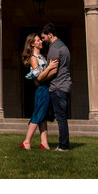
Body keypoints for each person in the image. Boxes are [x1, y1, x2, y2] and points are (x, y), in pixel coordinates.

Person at [19, 33, 58, 151]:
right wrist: (50, 67)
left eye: (40, 40)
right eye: (38, 40)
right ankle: (26, 141)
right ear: (32, 44)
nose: (41, 41)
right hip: (42, 89)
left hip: (46, 88)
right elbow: (39, 77)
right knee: (38, 114)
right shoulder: (33, 58)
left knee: (44, 116)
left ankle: (44, 143)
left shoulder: (42, 56)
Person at [41, 23, 72, 151]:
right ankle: (62, 144)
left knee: (60, 118)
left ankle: (63, 145)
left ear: (50, 35)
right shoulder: (63, 47)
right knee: (59, 116)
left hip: (58, 87)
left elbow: (53, 71)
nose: (43, 41)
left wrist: (41, 79)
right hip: (64, 85)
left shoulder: (54, 48)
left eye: (43, 38)